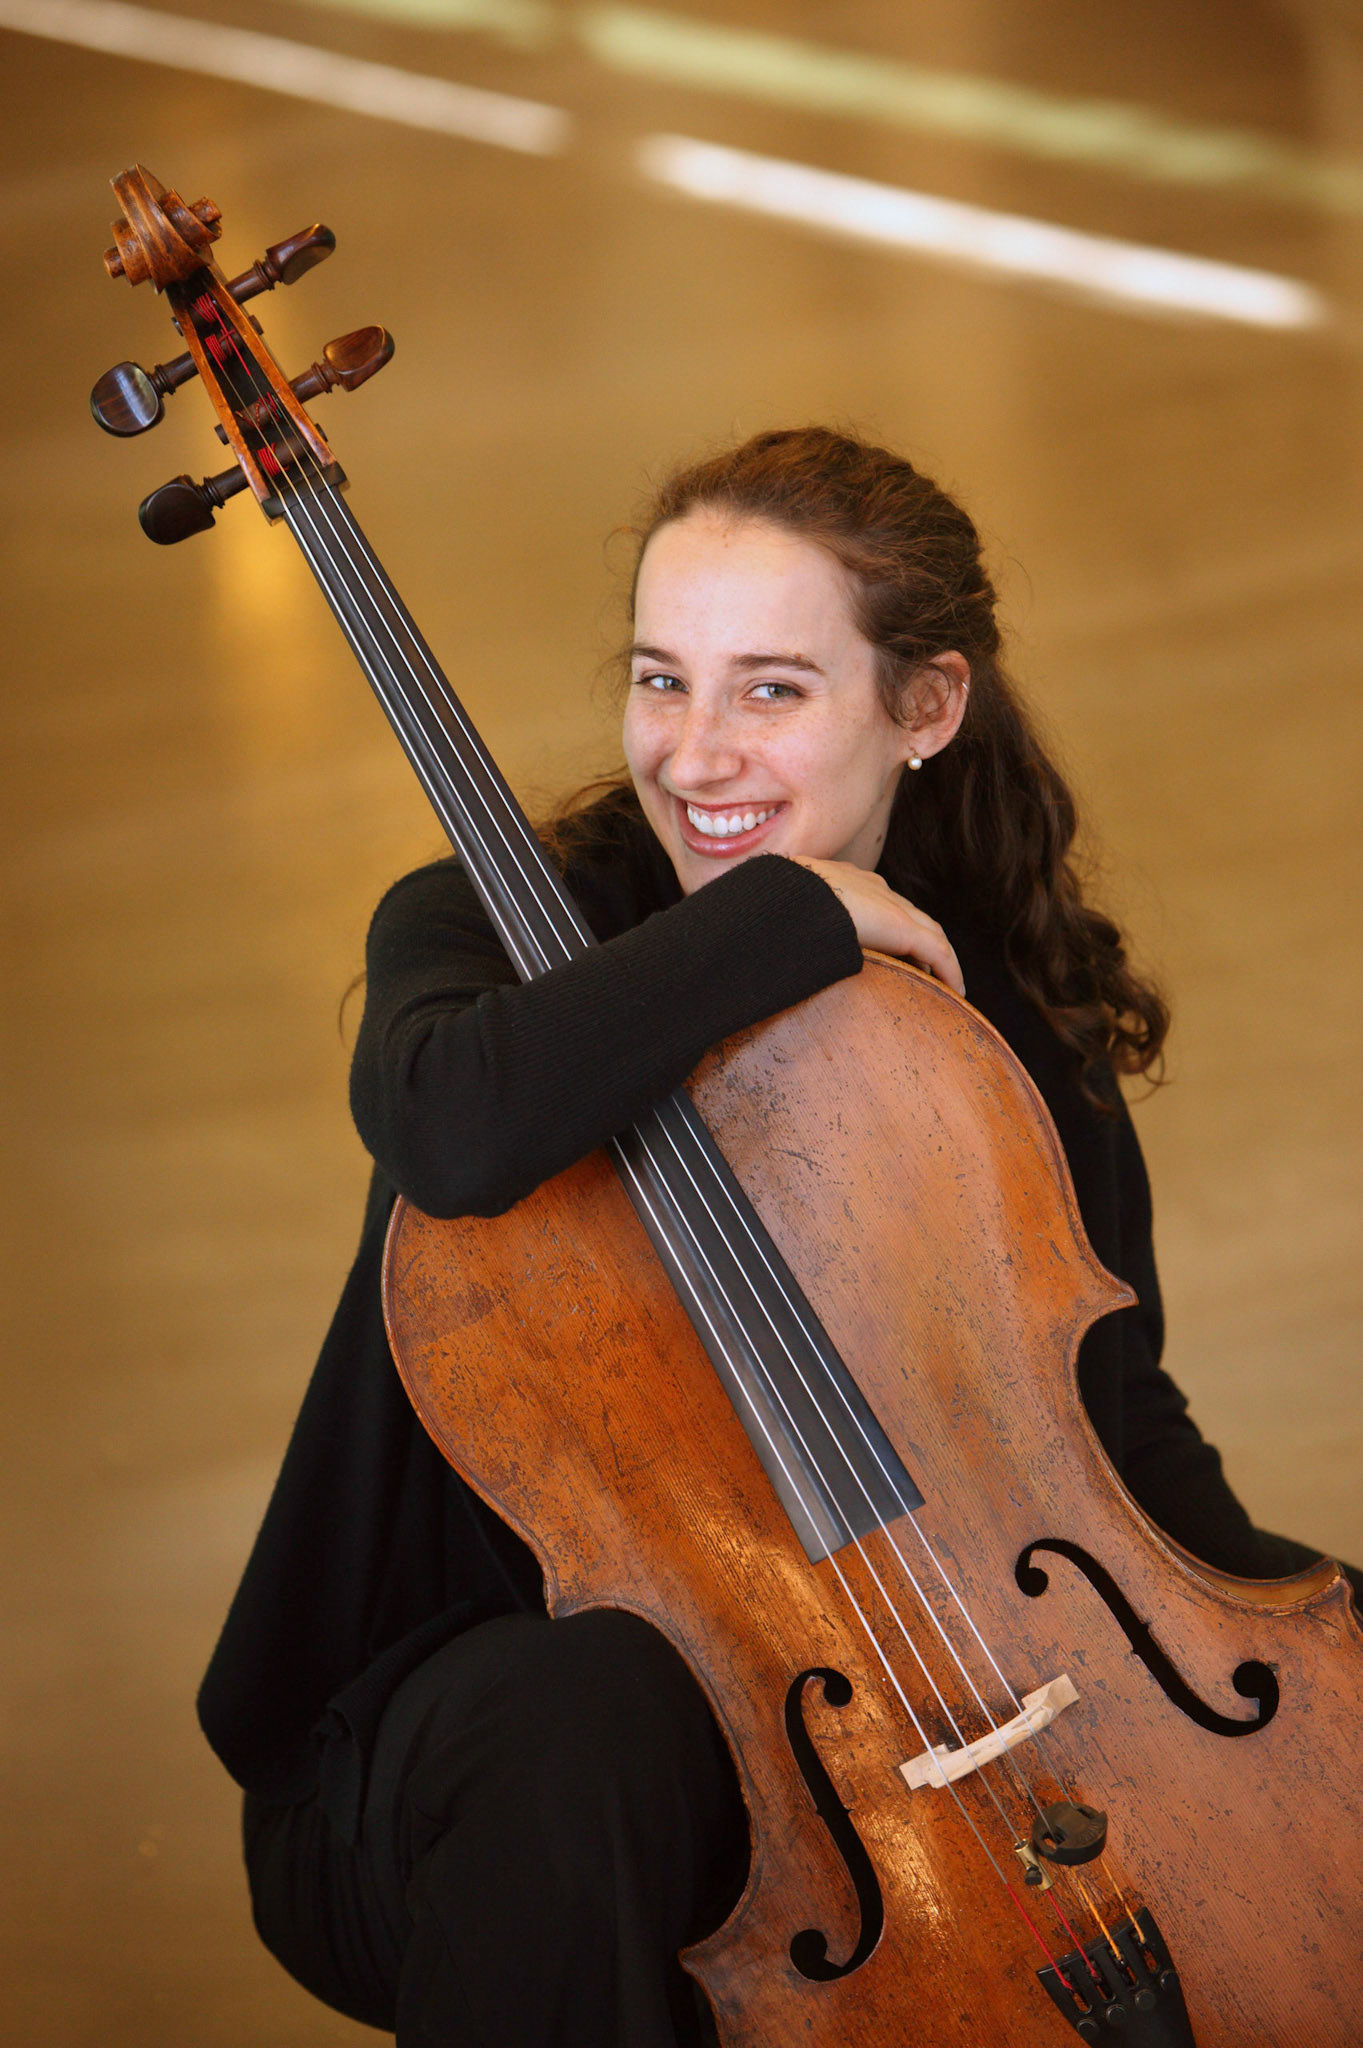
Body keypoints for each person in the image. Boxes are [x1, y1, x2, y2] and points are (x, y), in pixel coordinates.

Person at [199, 427, 1357, 2047]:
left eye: (770, 690)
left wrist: (1279, 1648)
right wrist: (791, 912)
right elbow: (458, 1128)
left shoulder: (991, 1008)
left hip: (864, 1700)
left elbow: (1104, 1418)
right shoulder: (482, 925)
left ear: (928, 707)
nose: (692, 754)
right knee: (592, 1713)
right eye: (662, 680)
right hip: (468, 1743)